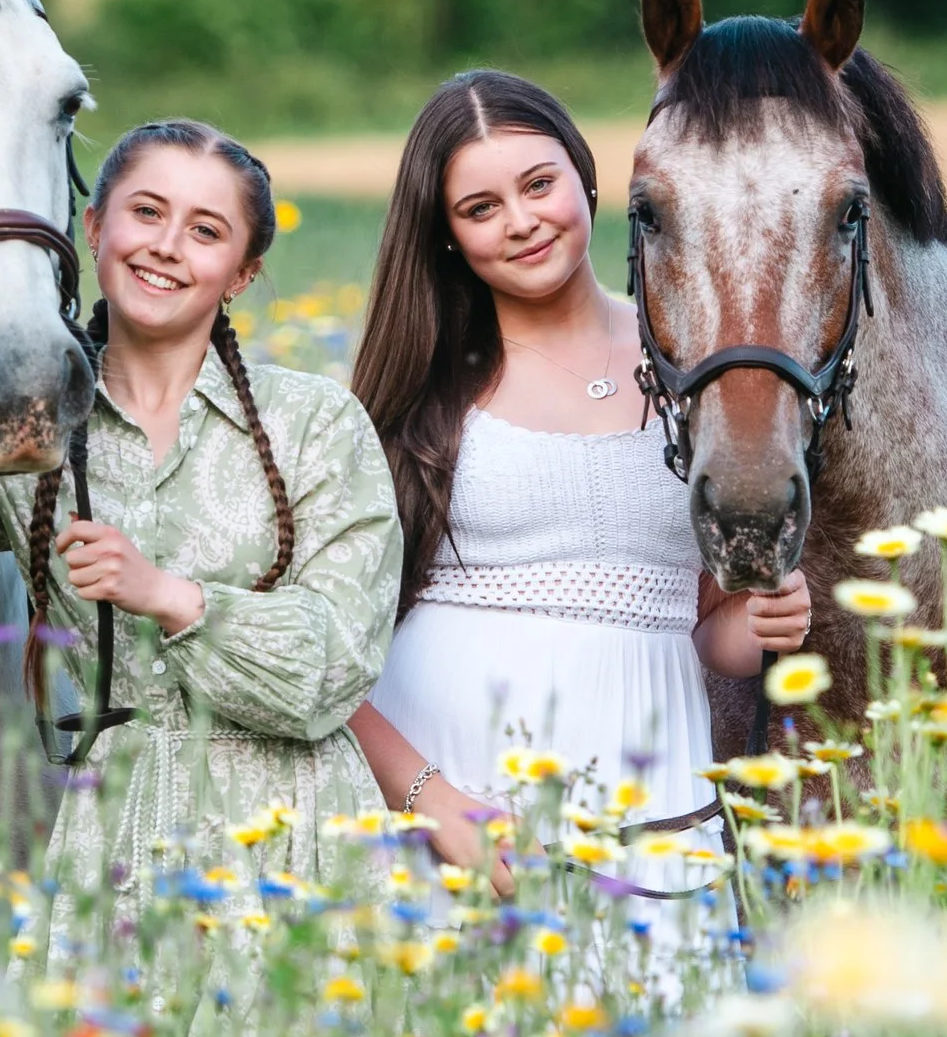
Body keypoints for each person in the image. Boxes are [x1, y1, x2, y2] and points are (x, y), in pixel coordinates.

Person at [0, 120, 402, 977]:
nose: (167, 247)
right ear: (92, 229)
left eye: (206, 231)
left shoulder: (317, 425)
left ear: (242, 271)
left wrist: (164, 594)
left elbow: (335, 665)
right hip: (120, 837)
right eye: (146, 212)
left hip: (304, 836)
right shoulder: (27, 436)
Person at [347, 71, 812, 915]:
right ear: (446, 234)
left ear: (588, 177)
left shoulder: (699, 368)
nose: (521, 221)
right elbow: (326, 648)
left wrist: (761, 621)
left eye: (537, 184)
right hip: (450, 823)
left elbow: (709, 629)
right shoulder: (423, 389)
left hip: (653, 820)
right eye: (479, 208)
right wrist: (428, 798)